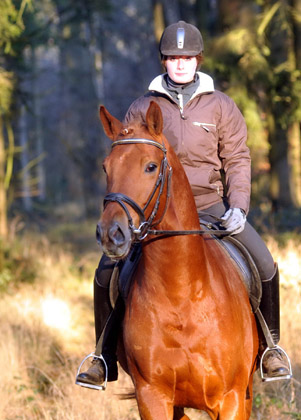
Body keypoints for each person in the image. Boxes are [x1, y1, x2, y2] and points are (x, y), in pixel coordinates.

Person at [76, 20, 291, 388]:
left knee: (265, 264)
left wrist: (238, 207)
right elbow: (127, 163)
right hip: (154, 215)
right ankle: (104, 357)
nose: (180, 64)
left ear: (198, 60)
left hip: (211, 207)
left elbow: (237, 158)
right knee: (106, 273)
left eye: (187, 57)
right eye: (173, 58)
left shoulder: (221, 106)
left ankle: (270, 348)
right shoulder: (142, 107)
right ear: (164, 61)